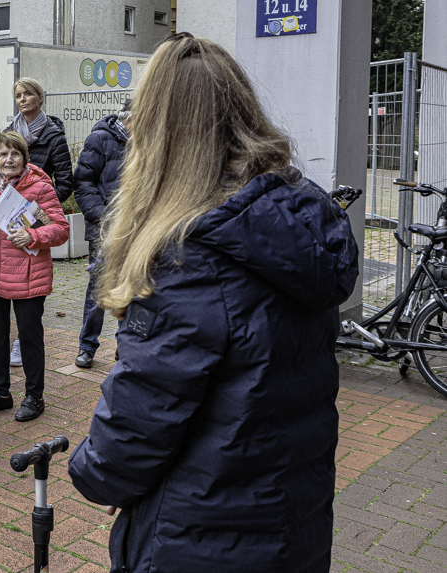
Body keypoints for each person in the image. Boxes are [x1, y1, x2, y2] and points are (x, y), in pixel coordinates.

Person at [67, 34, 358, 573]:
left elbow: (139, 420)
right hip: (289, 522)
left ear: (158, 132)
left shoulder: (190, 257)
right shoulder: (296, 229)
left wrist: (90, 471)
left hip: (200, 534)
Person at [0, 131, 69, 422]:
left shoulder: (40, 188)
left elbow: (61, 229)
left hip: (28, 277)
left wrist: (33, 235)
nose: (9, 159)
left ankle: (34, 397)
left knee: (29, 338)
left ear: (25, 157)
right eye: (3, 154)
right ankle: (1, 393)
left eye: (15, 153)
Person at [0, 77, 75, 367]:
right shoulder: (9, 133)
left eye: (28, 94)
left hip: (34, 217)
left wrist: (38, 206)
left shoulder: (54, 135)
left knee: (32, 286)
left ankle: (24, 342)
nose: (22, 99)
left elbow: (65, 181)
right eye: (18, 95)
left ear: (40, 97)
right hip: (4, 223)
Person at [71, 101, 131, 368]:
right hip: (104, 229)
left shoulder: (150, 140)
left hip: (136, 228)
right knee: (98, 289)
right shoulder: (100, 138)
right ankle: (87, 346)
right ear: (129, 117)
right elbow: (82, 181)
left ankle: (125, 346)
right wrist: (103, 217)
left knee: (132, 288)